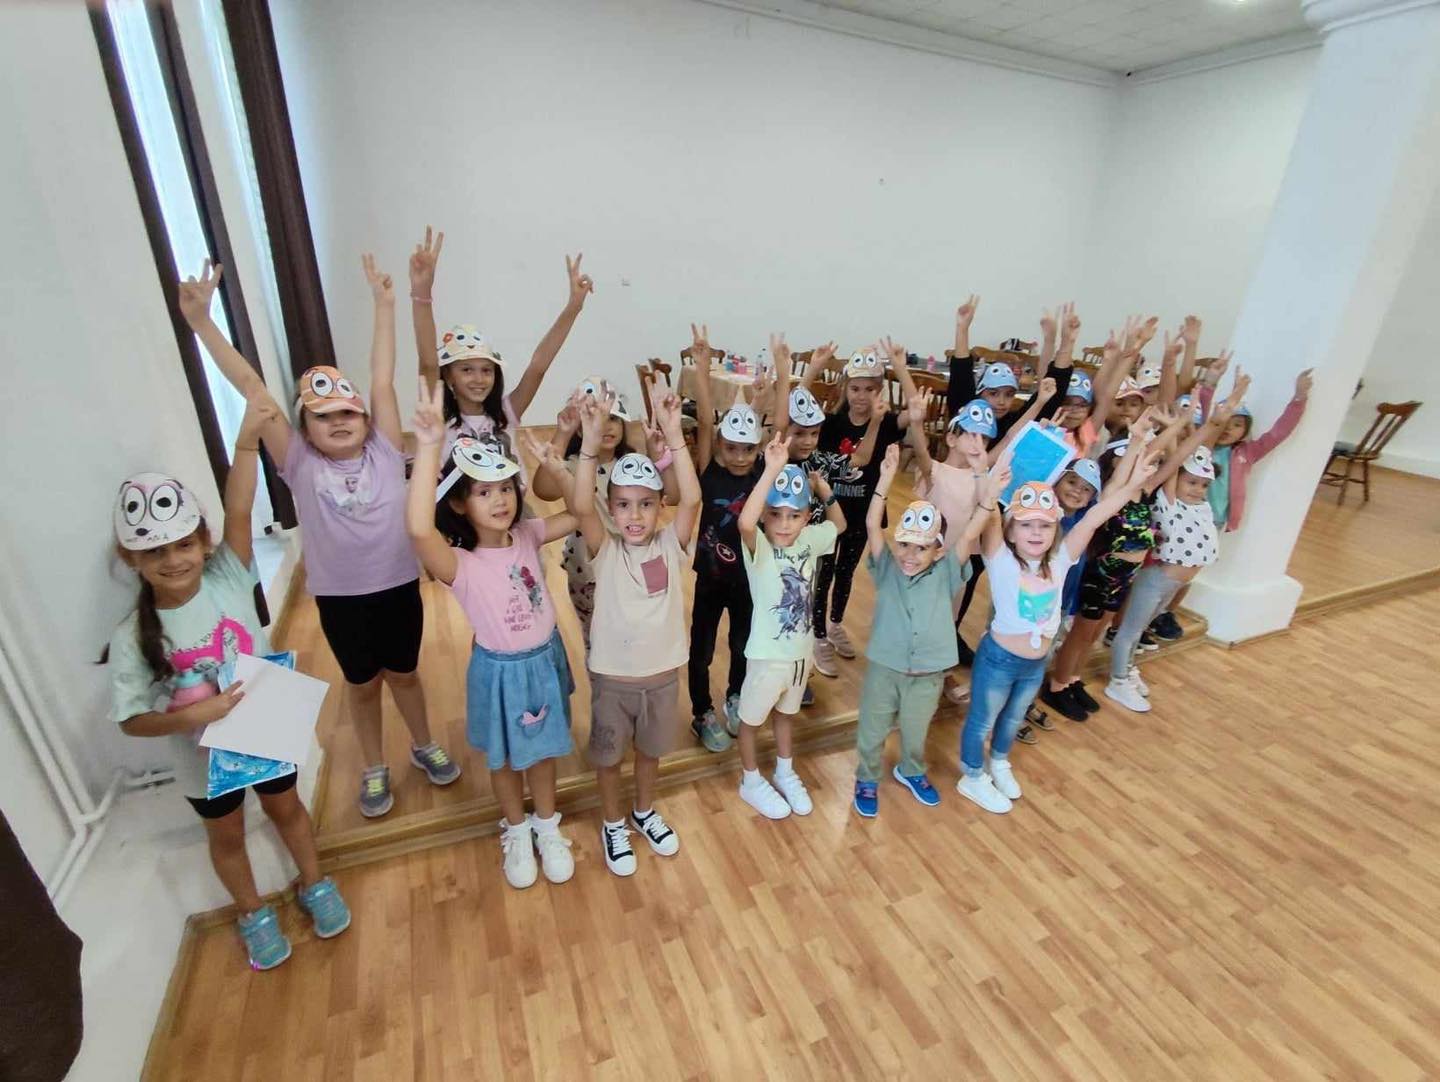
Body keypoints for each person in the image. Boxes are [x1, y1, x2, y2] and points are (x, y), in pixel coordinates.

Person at [177, 257, 458, 819]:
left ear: (365, 418)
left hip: (397, 586)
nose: (339, 421)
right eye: (323, 416)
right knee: (362, 683)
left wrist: (384, 306)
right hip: (339, 598)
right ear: (304, 427)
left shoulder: (384, 448)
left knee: (405, 674)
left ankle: (424, 743)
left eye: (348, 412)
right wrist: (203, 323)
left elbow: (382, 378)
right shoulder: (299, 462)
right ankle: (374, 765)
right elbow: (253, 388)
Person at [107, 402, 350, 970]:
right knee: (227, 835)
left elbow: (239, 506)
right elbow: (131, 718)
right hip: (203, 759)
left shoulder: (228, 577)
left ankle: (315, 882)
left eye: (183, 544)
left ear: (203, 544)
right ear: (132, 559)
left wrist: (244, 442)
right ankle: (252, 913)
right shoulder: (131, 635)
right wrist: (190, 716)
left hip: (263, 728)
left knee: (288, 809)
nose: (174, 560)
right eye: (155, 551)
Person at [407, 381, 578, 890]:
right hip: (501, 672)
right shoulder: (458, 563)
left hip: (543, 659)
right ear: (460, 504)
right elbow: (418, 530)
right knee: (505, 759)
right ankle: (517, 830)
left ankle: (547, 826)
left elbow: (580, 513)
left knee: (543, 753)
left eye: (505, 487)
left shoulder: (528, 534)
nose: (500, 499)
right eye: (483, 492)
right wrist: (428, 446)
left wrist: (561, 462)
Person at [955, 443, 1161, 814]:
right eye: (1026, 525)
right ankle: (972, 775)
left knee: (1013, 717)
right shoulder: (1000, 558)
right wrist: (986, 473)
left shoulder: (1063, 558)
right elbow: (990, 512)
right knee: (983, 720)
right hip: (999, 660)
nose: (1036, 532)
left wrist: (1134, 485)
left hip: (1036, 663)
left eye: (1045, 525)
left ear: (1056, 529)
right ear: (1011, 531)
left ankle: (998, 762)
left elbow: (1095, 516)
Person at [558, 387, 701, 875]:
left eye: (645, 504)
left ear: (660, 505)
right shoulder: (605, 548)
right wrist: (589, 443)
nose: (634, 516)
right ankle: (613, 822)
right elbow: (581, 504)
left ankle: (642, 811)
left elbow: (692, 497)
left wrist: (676, 437)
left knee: (650, 754)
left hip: (661, 679)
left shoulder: (670, 544)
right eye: (622, 505)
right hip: (614, 682)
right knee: (608, 758)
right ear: (610, 507)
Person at [852, 445, 972, 818]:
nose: (909, 554)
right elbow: (872, 525)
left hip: (927, 674)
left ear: (938, 551)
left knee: (916, 729)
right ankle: (866, 777)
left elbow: (971, 533)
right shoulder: (887, 569)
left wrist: (988, 488)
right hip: (885, 669)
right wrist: (886, 479)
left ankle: (911, 769)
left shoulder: (947, 572)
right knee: (873, 728)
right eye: (903, 544)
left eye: (921, 548)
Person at [407, 225, 593, 466]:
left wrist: (574, 307)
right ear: (449, 376)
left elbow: (538, 367)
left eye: (487, 370)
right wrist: (422, 294)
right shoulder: (437, 417)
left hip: (511, 491)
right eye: (467, 370)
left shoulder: (505, 414)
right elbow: (428, 363)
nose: (479, 378)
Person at [734, 433, 846, 818]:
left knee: (786, 715)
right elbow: (745, 522)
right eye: (776, 514)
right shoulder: (760, 547)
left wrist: (824, 490)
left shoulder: (810, 539)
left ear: (806, 516)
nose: (784, 524)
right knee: (750, 721)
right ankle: (750, 780)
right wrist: (771, 470)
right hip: (767, 657)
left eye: (794, 515)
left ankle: (784, 770)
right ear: (765, 515)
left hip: (800, 656)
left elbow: (839, 525)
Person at [686, 323, 780, 751]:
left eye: (748, 449)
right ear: (720, 446)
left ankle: (735, 696)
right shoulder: (709, 468)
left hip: (748, 580)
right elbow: (706, 421)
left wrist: (778, 380)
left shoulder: (762, 471)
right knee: (701, 650)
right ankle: (701, 711)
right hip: (709, 578)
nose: (740, 457)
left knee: (742, 645)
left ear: (759, 448)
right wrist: (702, 369)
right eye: (731, 448)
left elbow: (777, 425)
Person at [1105, 443, 1222, 712]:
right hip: (1156, 580)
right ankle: (1118, 681)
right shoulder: (1169, 502)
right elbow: (1175, 459)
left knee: (1141, 629)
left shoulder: (1201, 507)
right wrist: (1177, 434)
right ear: (1176, 478)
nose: (1198, 489)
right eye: (1191, 482)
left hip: (1174, 585)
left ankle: (1128, 669)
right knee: (1130, 630)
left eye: (1204, 485)